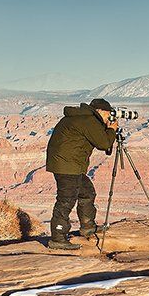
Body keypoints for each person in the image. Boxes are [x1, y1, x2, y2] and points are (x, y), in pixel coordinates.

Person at [44, 98, 120, 249]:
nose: (109, 118)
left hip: (69, 164)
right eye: (108, 114)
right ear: (100, 111)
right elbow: (104, 144)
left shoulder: (81, 117)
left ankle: (88, 226)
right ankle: (57, 238)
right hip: (67, 165)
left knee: (87, 192)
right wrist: (111, 129)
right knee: (66, 200)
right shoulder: (88, 120)